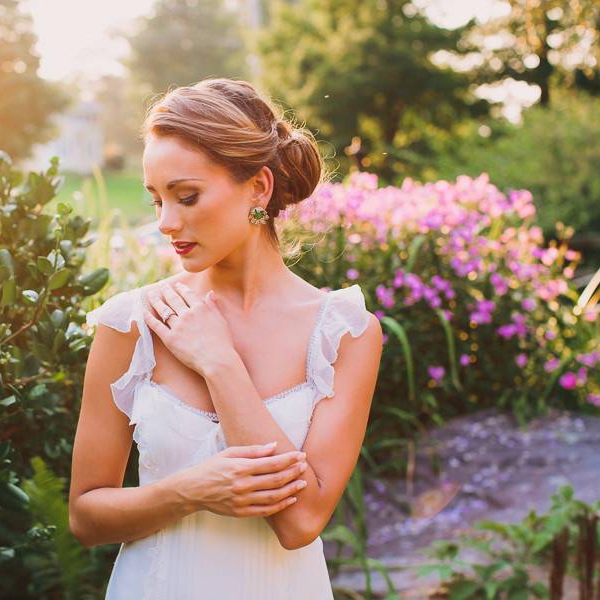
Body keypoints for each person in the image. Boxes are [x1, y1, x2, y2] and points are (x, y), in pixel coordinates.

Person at [68, 78, 383, 599]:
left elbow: (300, 522)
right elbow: (85, 515)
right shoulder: (132, 324)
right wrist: (188, 492)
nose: (167, 223)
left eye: (187, 196)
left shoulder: (343, 332)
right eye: (156, 201)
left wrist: (219, 364)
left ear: (258, 188)